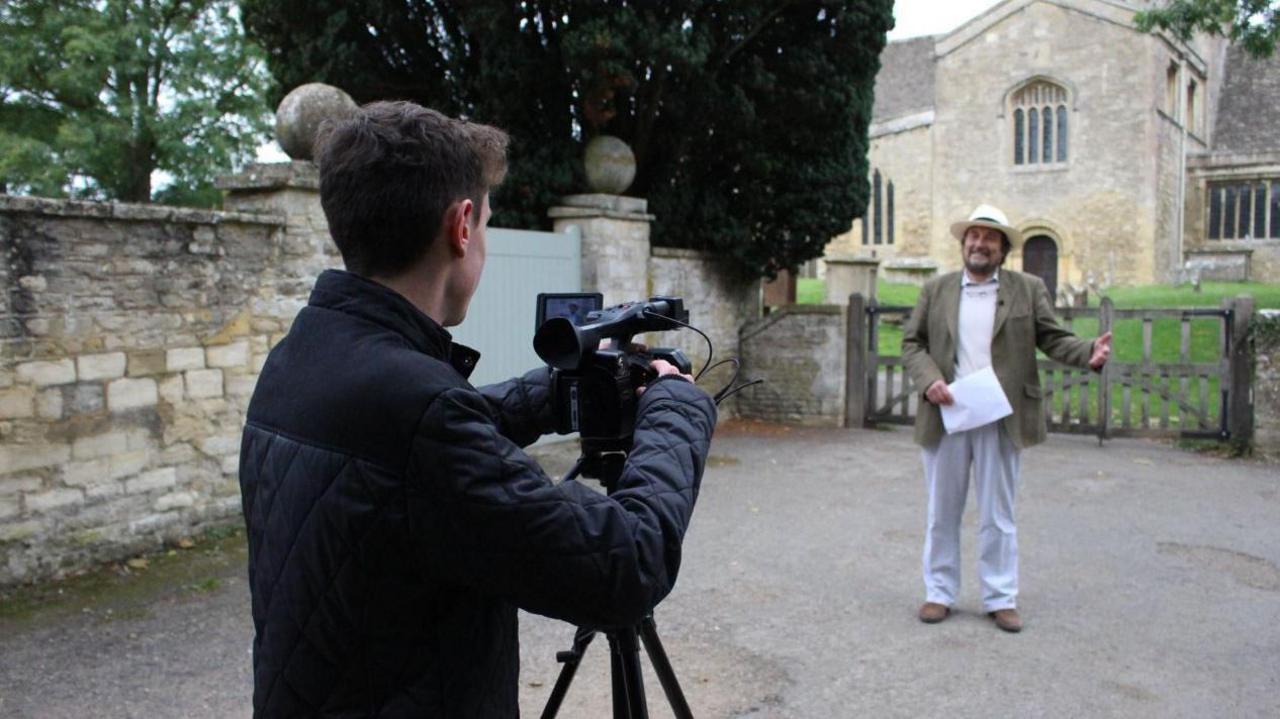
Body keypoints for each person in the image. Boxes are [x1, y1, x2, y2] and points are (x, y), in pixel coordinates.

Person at [238, 101, 717, 716]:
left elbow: (404, 455)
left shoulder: (302, 357)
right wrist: (676, 406)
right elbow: (627, 564)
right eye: (487, 224)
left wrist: (552, 394)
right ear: (462, 226)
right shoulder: (421, 411)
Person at [901, 204, 1111, 633]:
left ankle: (1000, 597)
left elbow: (1052, 338)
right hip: (948, 414)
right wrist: (929, 381)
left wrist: (1088, 351)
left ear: (1003, 249)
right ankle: (939, 592)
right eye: (973, 237)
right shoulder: (936, 290)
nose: (980, 244)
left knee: (999, 513)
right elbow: (912, 343)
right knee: (942, 511)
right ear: (964, 244)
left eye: (990, 238)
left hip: (1001, 416)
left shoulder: (1027, 288)